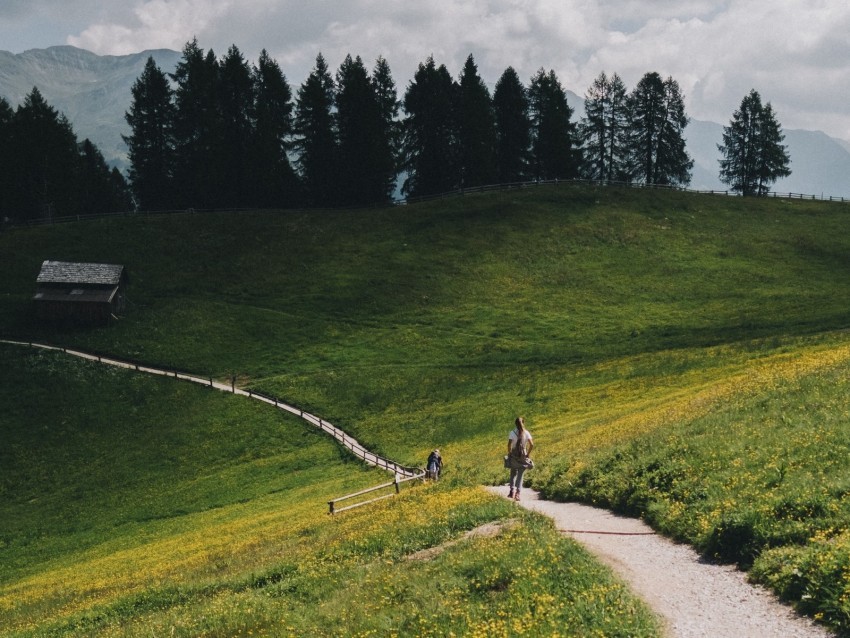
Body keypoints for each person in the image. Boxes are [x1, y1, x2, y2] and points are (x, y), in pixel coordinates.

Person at [507, 417, 534, 500]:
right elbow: (532, 444)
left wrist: (510, 453)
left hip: (514, 454)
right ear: (523, 423)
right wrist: (528, 454)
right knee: (520, 474)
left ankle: (512, 491)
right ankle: (518, 494)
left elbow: (509, 445)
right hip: (523, 454)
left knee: (513, 472)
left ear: (515, 424)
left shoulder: (512, 432)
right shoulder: (526, 433)